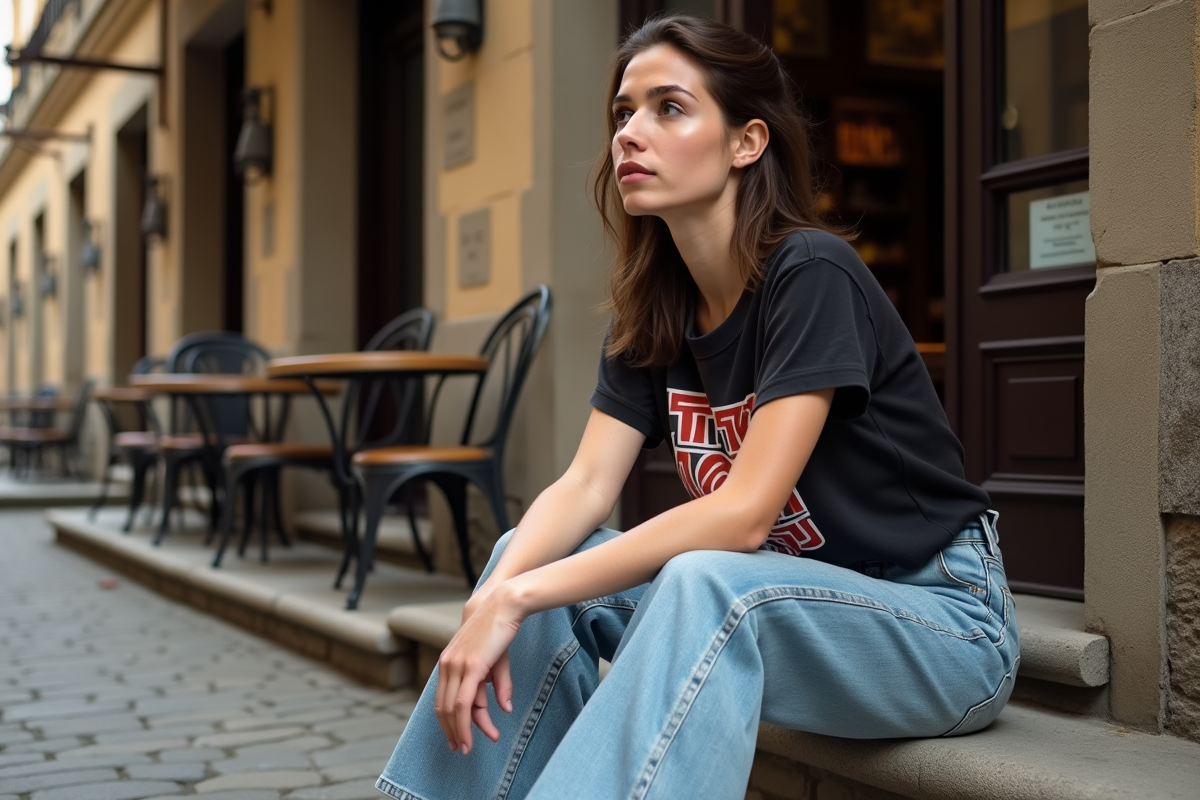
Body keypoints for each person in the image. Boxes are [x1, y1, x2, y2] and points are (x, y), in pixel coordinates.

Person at [376, 14, 1018, 800]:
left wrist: (518, 593)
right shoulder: (654, 311)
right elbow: (584, 486)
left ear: (747, 142)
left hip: (940, 621)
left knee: (701, 579)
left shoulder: (811, 274)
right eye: (622, 113)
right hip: (791, 608)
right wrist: (494, 596)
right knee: (532, 553)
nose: (629, 135)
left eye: (668, 108)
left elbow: (746, 515)